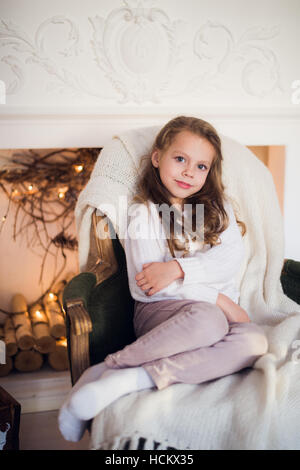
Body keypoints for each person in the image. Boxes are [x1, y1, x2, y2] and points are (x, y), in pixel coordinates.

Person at [58, 116, 268, 442]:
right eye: (180, 159)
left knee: (255, 342)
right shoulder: (143, 214)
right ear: (157, 158)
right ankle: (106, 371)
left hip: (221, 316)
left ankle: (123, 373)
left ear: (209, 172)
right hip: (163, 313)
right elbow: (149, 287)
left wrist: (178, 269)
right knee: (210, 321)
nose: (188, 172)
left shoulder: (220, 210)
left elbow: (228, 261)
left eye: (201, 166)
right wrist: (218, 299)